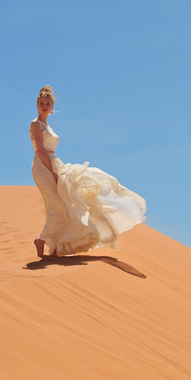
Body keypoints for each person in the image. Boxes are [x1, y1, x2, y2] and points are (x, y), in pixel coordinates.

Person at [30, 85, 146, 258]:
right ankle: (42, 240)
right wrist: (53, 172)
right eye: (41, 103)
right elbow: (40, 150)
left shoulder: (48, 126)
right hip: (43, 165)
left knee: (64, 203)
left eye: (47, 103)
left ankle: (53, 245)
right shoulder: (35, 124)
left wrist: (56, 169)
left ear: (52, 107)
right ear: (37, 105)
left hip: (53, 163)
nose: (45, 106)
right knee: (56, 204)